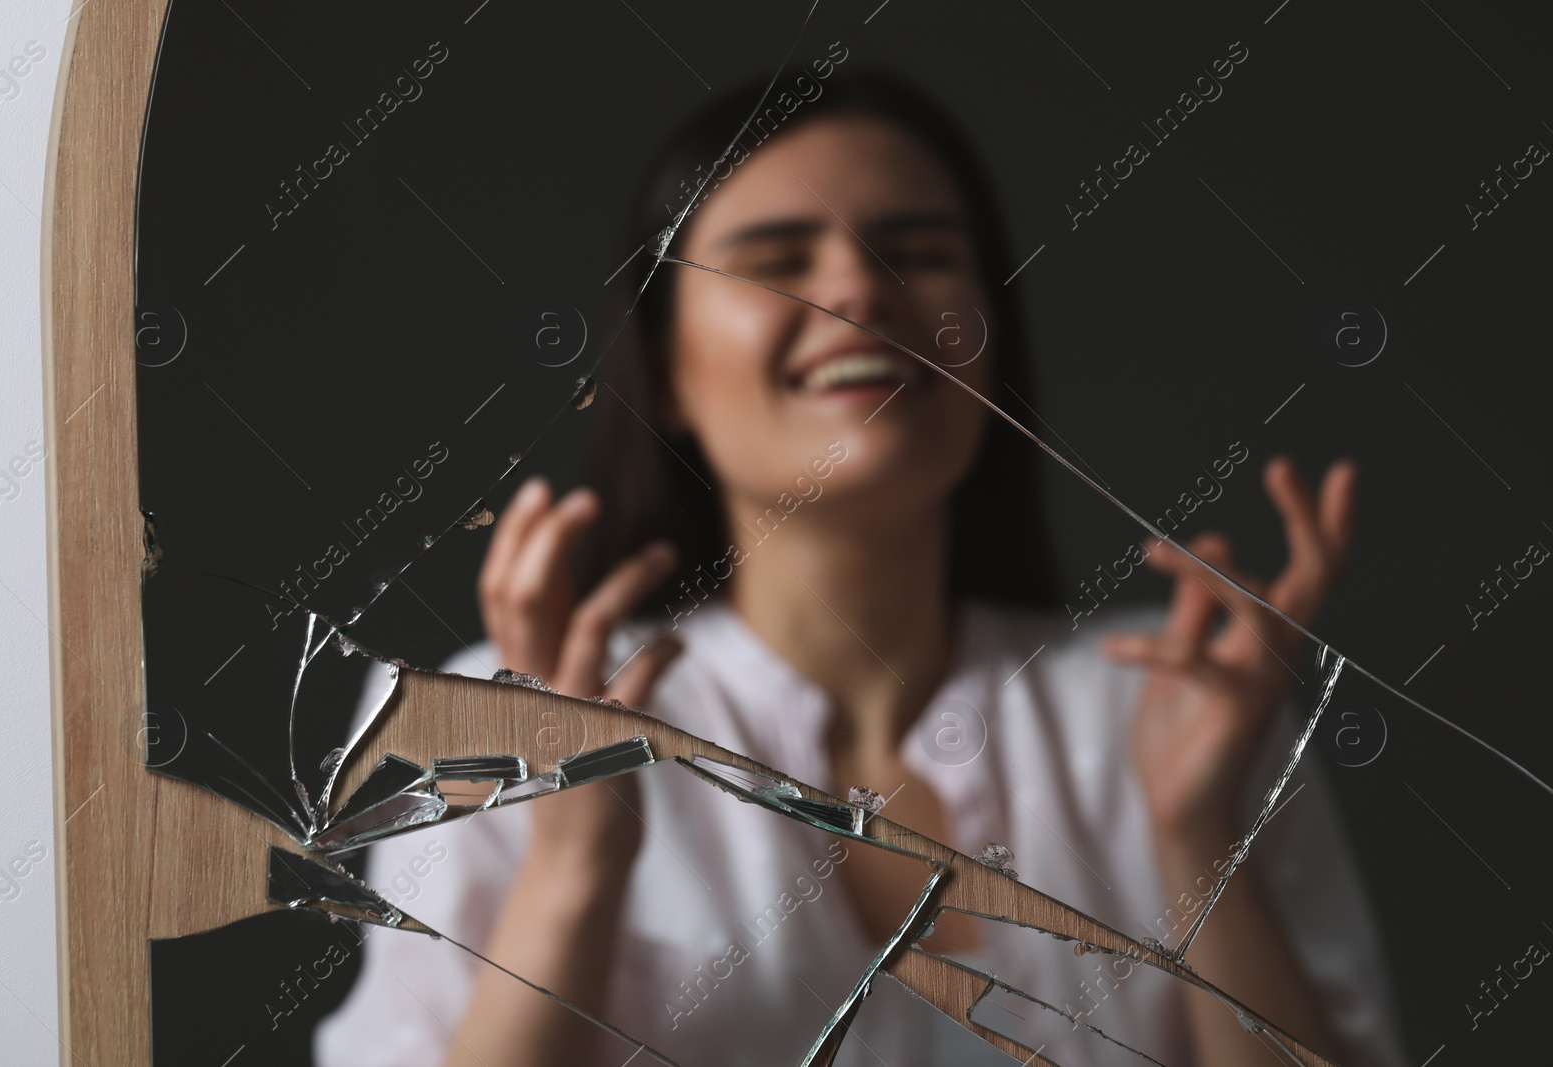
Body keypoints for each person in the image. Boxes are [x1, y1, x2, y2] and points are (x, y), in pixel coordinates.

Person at [317, 72, 1403, 1066]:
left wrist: (1198, 835)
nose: (858, 290)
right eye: (775, 259)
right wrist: (572, 863)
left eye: (920, 250)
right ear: (669, 370)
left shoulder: (1173, 707)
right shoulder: (504, 722)